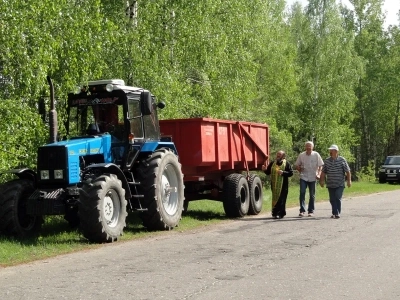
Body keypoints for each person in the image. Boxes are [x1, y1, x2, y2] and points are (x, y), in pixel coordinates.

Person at [319, 144, 351, 219]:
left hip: (339, 183)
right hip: (330, 183)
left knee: (337, 197)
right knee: (332, 199)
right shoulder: (327, 161)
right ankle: (334, 212)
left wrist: (349, 181)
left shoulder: (342, 160)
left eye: (331, 150)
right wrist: (322, 180)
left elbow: (348, 171)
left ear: (336, 151)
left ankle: (337, 213)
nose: (330, 151)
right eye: (330, 150)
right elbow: (323, 172)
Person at [294, 141, 324, 217]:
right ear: (305, 147)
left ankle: (311, 211)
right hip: (303, 176)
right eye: (307, 146)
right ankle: (302, 210)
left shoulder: (316, 155)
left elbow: (321, 165)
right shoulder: (302, 155)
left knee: (312, 194)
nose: (308, 148)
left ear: (312, 147)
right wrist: (299, 168)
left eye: (309, 147)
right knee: (302, 192)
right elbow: (297, 165)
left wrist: (319, 174)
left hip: (313, 177)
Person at [262, 150, 294, 219]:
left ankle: (280, 214)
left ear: (283, 156)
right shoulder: (273, 163)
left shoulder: (286, 163)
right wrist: (264, 169)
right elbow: (268, 172)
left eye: (280, 154)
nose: (278, 156)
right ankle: (275, 212)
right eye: (277, 154)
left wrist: (283, 172)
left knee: (281, 199)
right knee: (275, 199)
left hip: (283, 186)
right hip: (274, 186)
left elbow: (291, 173)